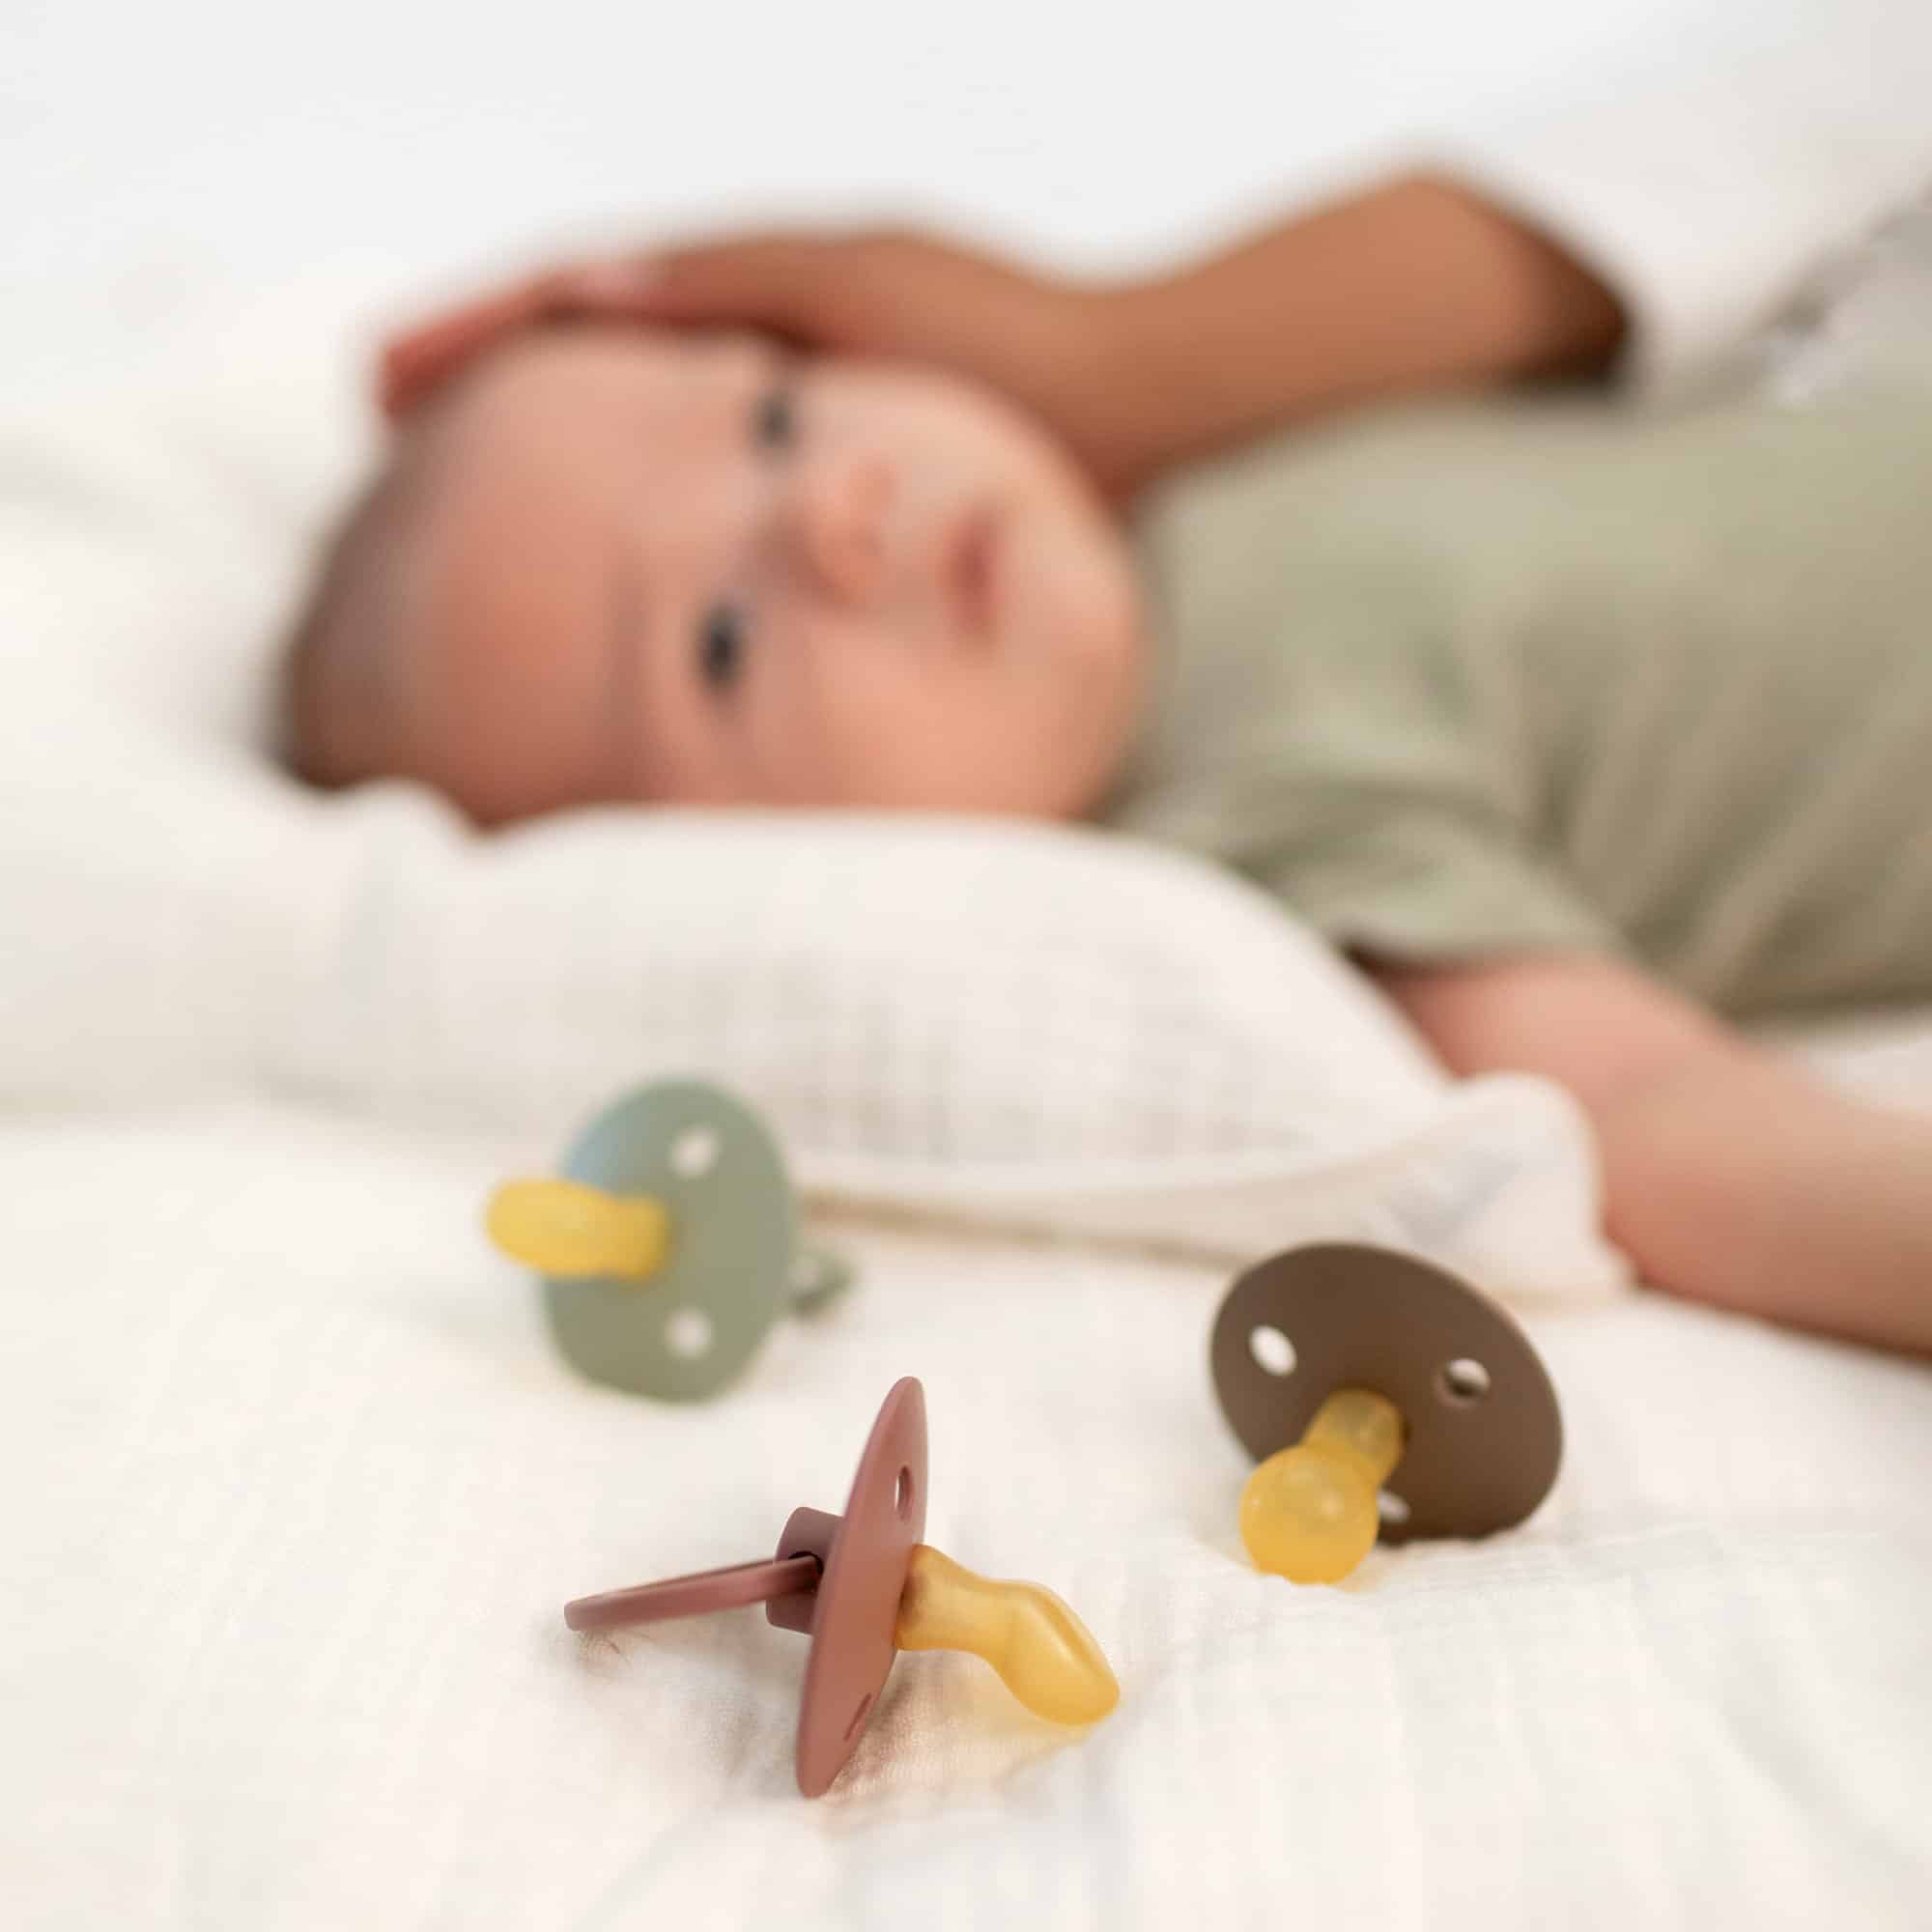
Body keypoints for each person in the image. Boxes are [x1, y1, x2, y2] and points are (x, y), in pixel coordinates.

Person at [282, 139, 1932, 1359]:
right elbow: (1646, 1117)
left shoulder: (1202, 467)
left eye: (774, 416)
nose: (837, 513)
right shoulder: (1262, 819)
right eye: (719, 642)